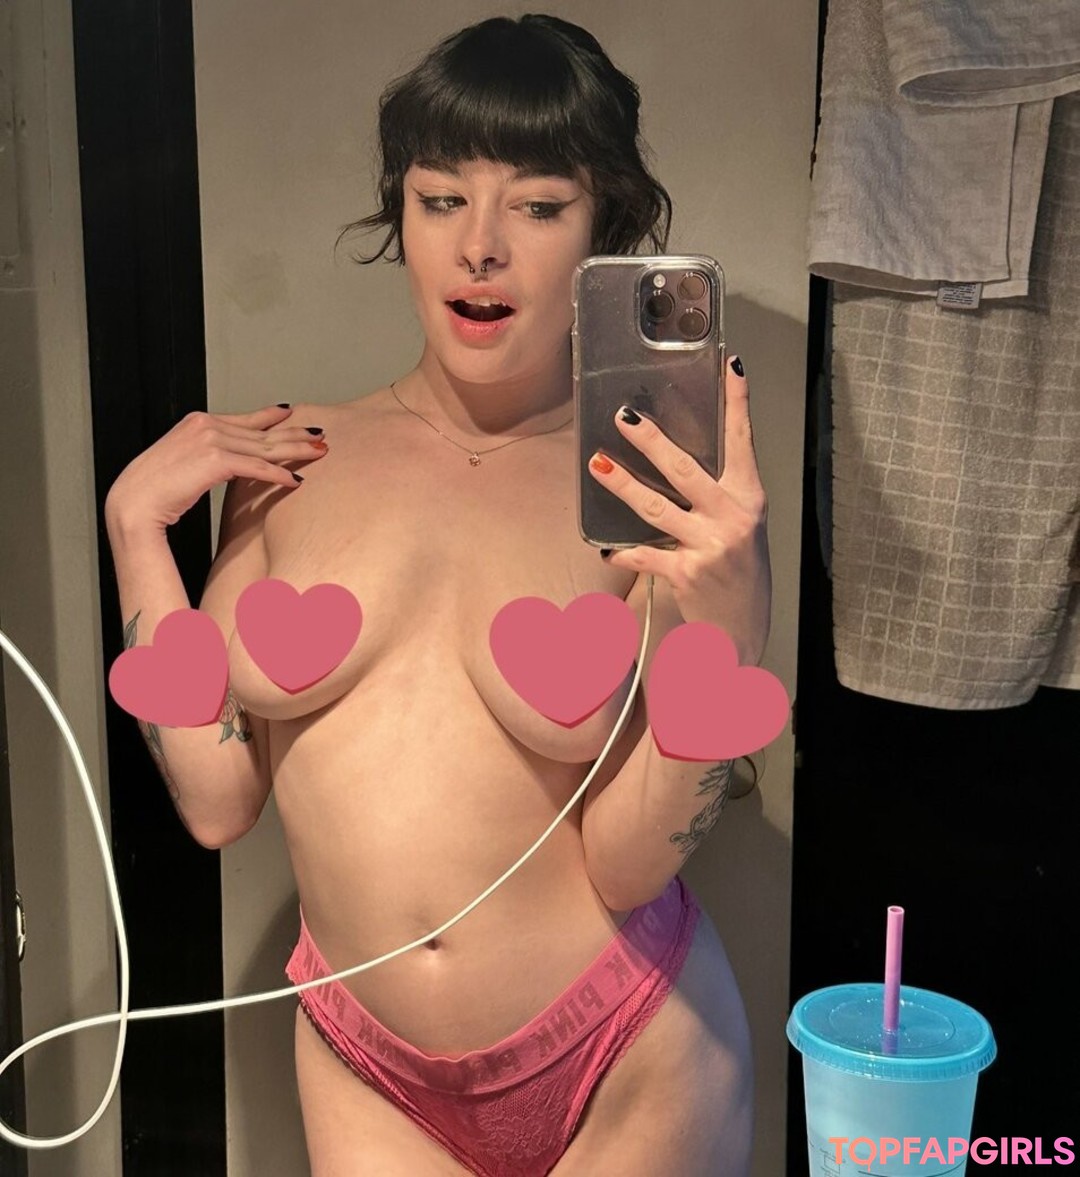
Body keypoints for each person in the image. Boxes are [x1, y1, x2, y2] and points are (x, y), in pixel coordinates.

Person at [104, 14, 769, 1176]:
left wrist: (731, 627)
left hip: (628, 1046)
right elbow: (216, 799)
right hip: (366, 1065)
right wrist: (131, 525)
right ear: (399, 216)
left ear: (604, 231)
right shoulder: (291, 457)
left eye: (540, 206)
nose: (481, 247)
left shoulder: (648, 492)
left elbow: (626, 863)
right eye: (440, 198)